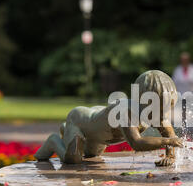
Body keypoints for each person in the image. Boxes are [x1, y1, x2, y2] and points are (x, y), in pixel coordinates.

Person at [34, 70, 183, 166]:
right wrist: (168, 142)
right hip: (79, 120)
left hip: (99, 133)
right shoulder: (125, 112)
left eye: (166, 107)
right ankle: (54, 140)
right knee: (73, 159)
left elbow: (170, 135)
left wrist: (170, 156)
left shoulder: (157, 112)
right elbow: (136, 143)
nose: (162, 112)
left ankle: (65, 130)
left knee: (91, 155)